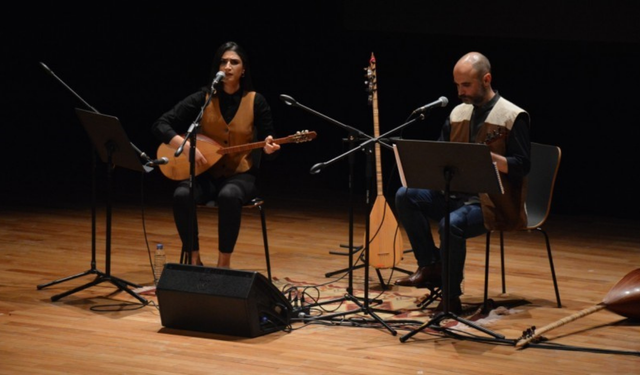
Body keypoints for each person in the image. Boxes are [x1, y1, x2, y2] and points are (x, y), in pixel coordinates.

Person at [394, 52, 531, 314]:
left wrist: (489, 159)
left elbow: (522, 166)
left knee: (450, 224)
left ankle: (451, 298)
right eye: (457, 85)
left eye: (466, 85)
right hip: (456, 194)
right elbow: (440, 152)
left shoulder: (513, 116)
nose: (460, 91)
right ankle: (431, 265)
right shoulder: (459, 113)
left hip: (493, 202)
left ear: (486, 79)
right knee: (405, 194)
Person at [151, 41, 280, 268]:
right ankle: (194, 260)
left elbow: (270, 143)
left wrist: (269, 149)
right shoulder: (205, 98)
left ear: (244, 70)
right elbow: (161, 124)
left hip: (241, 176)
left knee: (229, 195)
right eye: (223, 61)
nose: (228, 66)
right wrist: (187, 146)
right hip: (206, 174)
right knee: (182, 194)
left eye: (234, 62)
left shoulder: (255, 101)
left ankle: (223, 265)